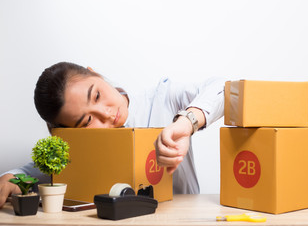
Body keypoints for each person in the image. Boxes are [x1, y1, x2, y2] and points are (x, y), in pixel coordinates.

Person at [0, 62, 224, 208]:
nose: (106, 113)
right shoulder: (83, 147)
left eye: (96, 95)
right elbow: (40, 169)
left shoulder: (163, 98)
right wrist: (13, 176)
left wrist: (188, 122)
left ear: (96, 74)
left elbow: (223, 88)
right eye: (87, 121)